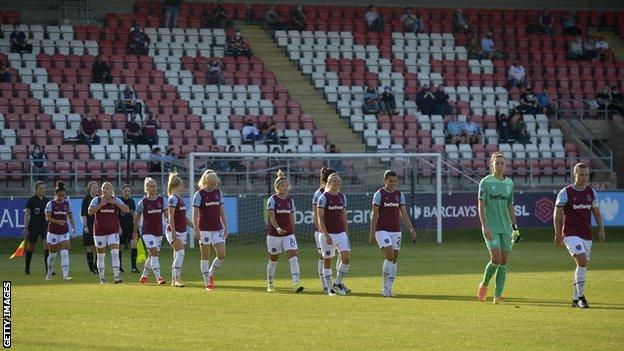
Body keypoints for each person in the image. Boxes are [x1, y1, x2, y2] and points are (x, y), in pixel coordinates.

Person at [554, 163, 606, 308]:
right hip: (570, 233)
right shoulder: (565, 192)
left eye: (586, 175)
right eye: (581, 174)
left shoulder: (591, 192)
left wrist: (601, 228)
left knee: (581, 265)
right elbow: (557, 214)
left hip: (586, 234)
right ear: (574, 175)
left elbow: (596, 212)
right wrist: (558, 233)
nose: (584, 177)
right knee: (582, 261)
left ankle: (575, 300)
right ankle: (582, 298)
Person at [476, 152, 519, 304]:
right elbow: (480, 205)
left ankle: (498, 296)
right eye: (497, 163)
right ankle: (484, 284)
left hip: (505, 227)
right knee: (496, 258)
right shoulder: (485, 182)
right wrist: (484, 225)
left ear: (505, 166)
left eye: (502, 163)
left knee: (504, 260)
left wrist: (515, 227)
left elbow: (510, 206)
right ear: (492, 165)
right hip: (491, 226)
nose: (500, 165)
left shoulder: (510, 184)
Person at [368, 171, 417, 297]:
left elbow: (404, 214)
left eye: (395, 181)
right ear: (385, 181)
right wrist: (372, 233)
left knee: (394, 260)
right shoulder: (379, 194)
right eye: (390, 181)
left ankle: (390, 289)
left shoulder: (399, 195)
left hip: (396, 231)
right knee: (389, 257)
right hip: (382, 230)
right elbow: (374, 215)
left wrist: (411, 228)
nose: (393, 183)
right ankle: (384, 288)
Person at [265, 170, 304, 293]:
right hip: (274, 234)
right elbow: (272, 217)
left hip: (288, 234)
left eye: (287, 185)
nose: (285, 187)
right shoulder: (272, 200)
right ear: (277, 187)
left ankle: (296, 283)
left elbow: (292, 217)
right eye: (282, 185)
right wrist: (278, 229)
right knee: (273, 259)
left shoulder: (290, 201)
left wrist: (292, 230)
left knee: (293, 257)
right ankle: (270, 283)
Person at [193, 170, 228, 291]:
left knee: (222, 254)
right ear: (205, 182)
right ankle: (207, 282)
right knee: (205, 256)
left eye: (215, 183)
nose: (214, 186)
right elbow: (195, 213)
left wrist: (225, 226)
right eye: (211, 184)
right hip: (204, 229)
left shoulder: (218, 193)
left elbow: (222, 211)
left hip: (217, 228)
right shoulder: (199, 195)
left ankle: (210, 273)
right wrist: (196, 229)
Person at [88, 182, 131, 284]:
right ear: (101, 190)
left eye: (107, 188)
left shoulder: (116, 200)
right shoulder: (96, 200)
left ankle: (116, 276)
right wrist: (101, 205)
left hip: (113, 231)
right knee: (101, 255)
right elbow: (90, 212)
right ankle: (102, 277)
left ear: (111, 190)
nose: (105, 190)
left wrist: (115, 203)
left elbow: (127, 209)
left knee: (115, 253)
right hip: (99, 232)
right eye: (103, 188)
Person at [316, 173, 351, 296]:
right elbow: (320, 219)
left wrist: (346, 232)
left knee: (346, 258)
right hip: (327, 234)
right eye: (334, 181)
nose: (337, 183)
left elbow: (343, 216)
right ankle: (330, 288)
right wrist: (326, 234)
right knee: (327, 261)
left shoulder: (342, 197)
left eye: (338, 181)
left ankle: (337, 283)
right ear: (329, 183)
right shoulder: (323, 198)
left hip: (341, 233)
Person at [134, 177, 168, 285]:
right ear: (146, 188)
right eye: (151, 186)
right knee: (154, 251)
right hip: (147, 231)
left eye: (154, 186)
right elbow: (138, 217)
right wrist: (134, 231)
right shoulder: (142, 202)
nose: (153, 188)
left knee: (152, 254)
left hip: (158, 231)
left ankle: (144, 276)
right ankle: (159, 277)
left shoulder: (162, 200)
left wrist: (170, 223)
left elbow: (167, 215)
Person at [312, 168, 340, 293]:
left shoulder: (335, 192)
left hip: (336, 231)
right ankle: (324, 284)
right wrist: (320, 230)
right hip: (322, 231)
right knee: (324, 257)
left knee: (342, 254)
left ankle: (339, 282)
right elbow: (315, 214)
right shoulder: (319, 194)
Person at [44, 181, 76, 281]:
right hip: (53, 232)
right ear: (55, 195)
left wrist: (74, 229)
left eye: (63, 195)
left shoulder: (67, 204)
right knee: (52, 255)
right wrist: (57, 221)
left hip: (64, 232)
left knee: (65, 253)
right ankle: (49, 273)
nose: (61, 197)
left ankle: (65, 276)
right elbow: (47, 218)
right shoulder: (51, 204)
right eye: (59, 195)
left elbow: (70, 217)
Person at [166, 173, 194, 287]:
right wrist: (173, 232)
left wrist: (195, 227)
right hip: (174, 231)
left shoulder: (180, 199)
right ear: (177, 186)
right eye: (182, 185)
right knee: (180, 253)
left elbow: (183, 218)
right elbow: (170, 217)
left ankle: (174, 280)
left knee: (177, 254)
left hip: (182, 231)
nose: (183, 188)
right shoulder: (173, 199)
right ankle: (177, 278)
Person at [23, 181, 50, 275]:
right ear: (36, 189)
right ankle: (27, 268)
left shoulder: (47, 201)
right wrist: (25, 227)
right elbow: (26, 215)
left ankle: (48, 270)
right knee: (31, 248)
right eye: (40, 188)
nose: (42, 190)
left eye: (44, 188)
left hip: (44, 226)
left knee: (46, 246)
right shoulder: (31, 200)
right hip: (33, 226)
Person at [81, 181, 99, 275]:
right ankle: (91, 269)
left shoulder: (100, 199)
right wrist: (85, 226)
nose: (95, 189)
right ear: (89, 188)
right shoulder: (86, 200)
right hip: (89, 224)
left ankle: (96, 266)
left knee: (99, 247)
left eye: (96, 187)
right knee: (90, 247)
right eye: (93, 187)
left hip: (98, 225)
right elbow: (84, 214)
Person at [118, 184, 137, 273]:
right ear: (122, 192)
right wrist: (118, 227)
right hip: (121, 228)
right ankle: (119, 267)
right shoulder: (119, 201)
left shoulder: (132, 202)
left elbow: (134, 215)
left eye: (129, 191)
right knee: (120, 248)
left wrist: (136, 227)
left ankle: (134, 267)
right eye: (125, 191)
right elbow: (115, 216)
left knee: (134, 245)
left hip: (130, 227)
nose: (127, 193)